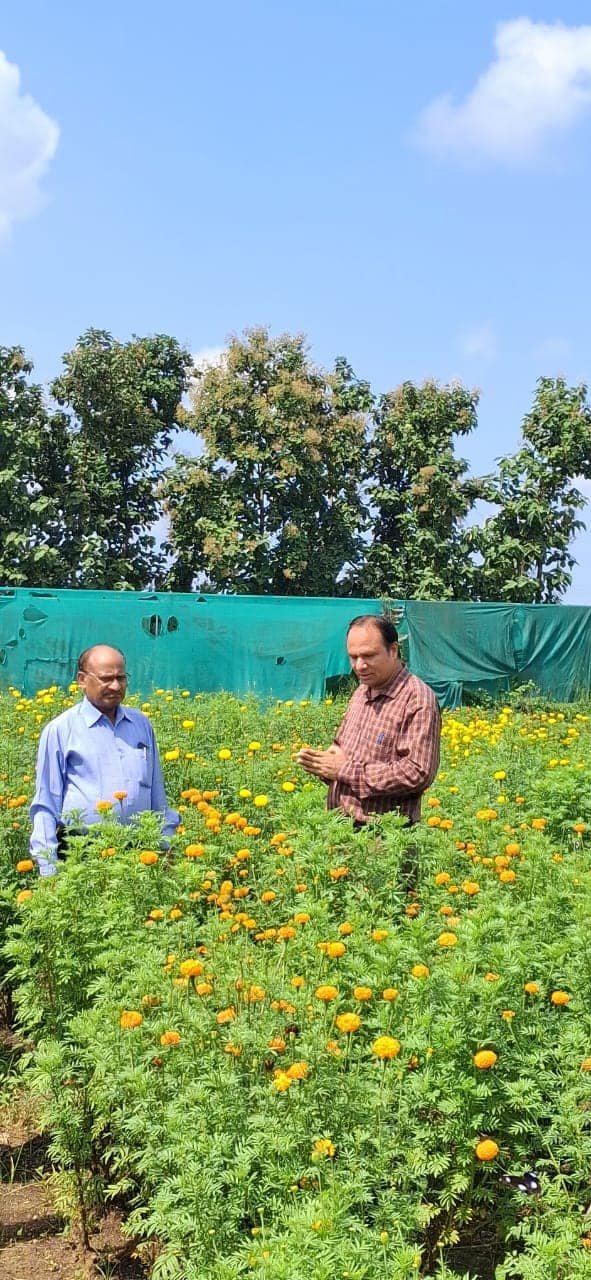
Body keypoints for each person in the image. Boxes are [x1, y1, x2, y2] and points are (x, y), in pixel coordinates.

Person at [30, 644, 179, 876]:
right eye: (106, 678)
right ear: (82, 680)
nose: (116, 686)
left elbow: (156, 792)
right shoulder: (61, 730)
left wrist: (166, 844)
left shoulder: (141, 724)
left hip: (139, 851)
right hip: (81, 855)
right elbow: (45, 804)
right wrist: (49, 869)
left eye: (121, 678)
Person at [297, 615, 440, 825]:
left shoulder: (417, 699)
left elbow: (417, 773)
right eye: (353, 657)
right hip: (341, 827)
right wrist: (324, 762)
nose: (359, 666)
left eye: (368, 656)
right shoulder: (362, 691)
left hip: (383, 839)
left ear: (393, 650)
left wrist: (345, 770)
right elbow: (342, 747)